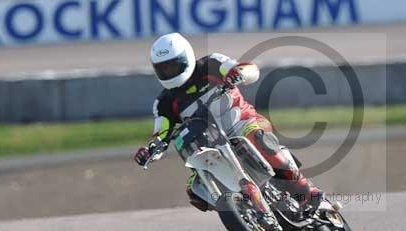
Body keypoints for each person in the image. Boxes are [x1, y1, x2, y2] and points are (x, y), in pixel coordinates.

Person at [133, 32, 328, 213]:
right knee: (194, 190)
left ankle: (305, 189)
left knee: (259, 139)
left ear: (186, 58)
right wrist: (150, 150)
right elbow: (160, 134)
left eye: (172, 65)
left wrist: (238, 73)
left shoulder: (211, 63)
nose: (168, 72)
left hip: (243, 123)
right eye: (162, 68)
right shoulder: (164, 103)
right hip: (208, 146)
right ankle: (244, 216)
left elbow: (250, 69)